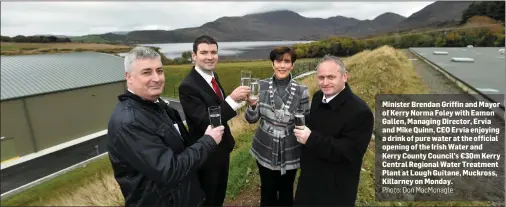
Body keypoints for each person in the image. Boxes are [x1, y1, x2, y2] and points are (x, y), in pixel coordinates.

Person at [107, 46, 225, 207]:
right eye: (147, 72)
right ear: (129, 77)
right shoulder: (130, 122)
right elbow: (169, 170)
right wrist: (209, 141)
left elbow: (181, 149)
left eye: (159, 71)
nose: (157, 78)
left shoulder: (157, 106)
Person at [178, 35, 250, 206]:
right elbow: (205, 121)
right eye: (204, 52)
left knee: (219, 197)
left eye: (213, 52)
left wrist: (241, 102)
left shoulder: (213, 76)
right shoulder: (187, 86)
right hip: (206, 157)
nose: (210, 57)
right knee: (208, 200)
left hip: (222, 150)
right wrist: (232, 100)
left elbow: (220, 107)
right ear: (194, 56)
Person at [293, 55, 374, 206]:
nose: (325, 83)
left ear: (344, 76)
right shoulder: (318, 97)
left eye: (331, 77)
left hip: (335, 191)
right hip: (309, 182)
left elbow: (350, 153)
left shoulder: (360, 112)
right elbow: (315, 128)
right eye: (321, 77)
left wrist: (310, 138)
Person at [245, 46, 311, 206]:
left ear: (292, 65)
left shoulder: (302, 91)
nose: (282, 65)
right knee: (267, 189)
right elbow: (252, 119)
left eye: (287, 61)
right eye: (278, 61)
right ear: (272, 64)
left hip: (290, 148)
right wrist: (252, 106)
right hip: (264, 145)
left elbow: (305, 121)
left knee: (286, 190)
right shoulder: (261, 86)